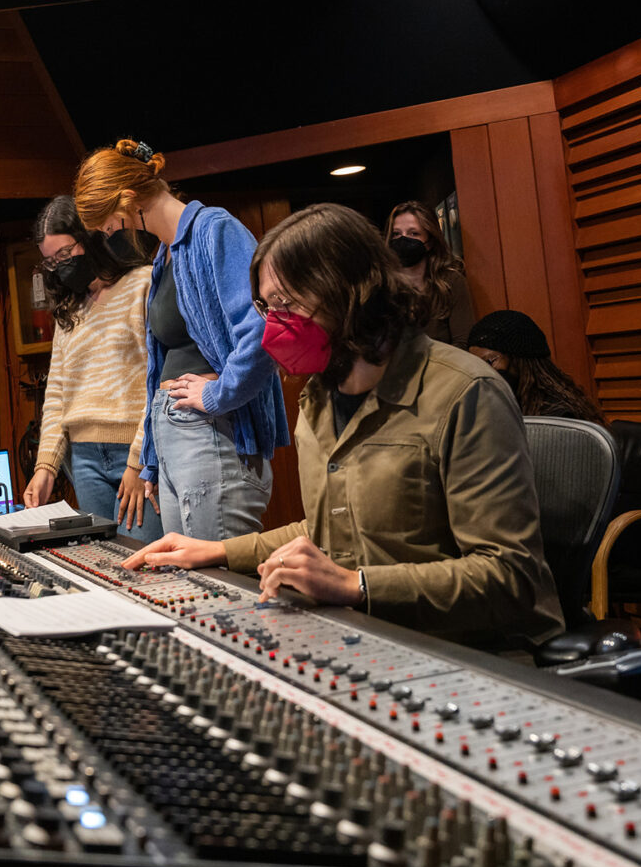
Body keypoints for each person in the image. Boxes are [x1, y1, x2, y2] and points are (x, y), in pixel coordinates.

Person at [123, 203, 564, 651]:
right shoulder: (319, 397)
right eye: (266, 306)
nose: (271, 325)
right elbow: (331, 529)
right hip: (370, 638)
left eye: (286, 303)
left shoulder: (466, 393)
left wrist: (356, 586)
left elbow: (511, 576)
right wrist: (217, 552)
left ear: (350, 290)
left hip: (470, 652)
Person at [73, 139, 289, 540]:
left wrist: (217, 393)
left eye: (107, 222)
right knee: (189, 582)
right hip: (177, 438)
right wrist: (154, 459)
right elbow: (161, 364)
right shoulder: (164, 255)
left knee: (216, 587)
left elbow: (261, 329)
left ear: (127, 199)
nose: (108, 233)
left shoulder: (215, 230)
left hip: (213, 434)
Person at [22, 195, 164, 542]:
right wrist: (46, 468)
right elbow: (57, 395)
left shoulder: (142, 284)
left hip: (135, 450)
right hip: (84, 459)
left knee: (146, 566)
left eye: (66, 254)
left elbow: (157, 378)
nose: (60, 266)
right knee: (106, 565)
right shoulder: (70, 310)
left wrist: (138, 461)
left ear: (89, 238)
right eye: (51, 262)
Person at [467, 310, 607, 426]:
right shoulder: (491, 408)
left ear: (519, 360)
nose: (482, 371)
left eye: (490, 362)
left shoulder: (559, 416)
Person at [385, 200, 475, 348]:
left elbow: (463, 342)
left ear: (430, 240)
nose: (403, 240)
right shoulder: (382, 286)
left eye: (413, 233)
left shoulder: (451, 282)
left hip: (444, 367)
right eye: (396, 234)